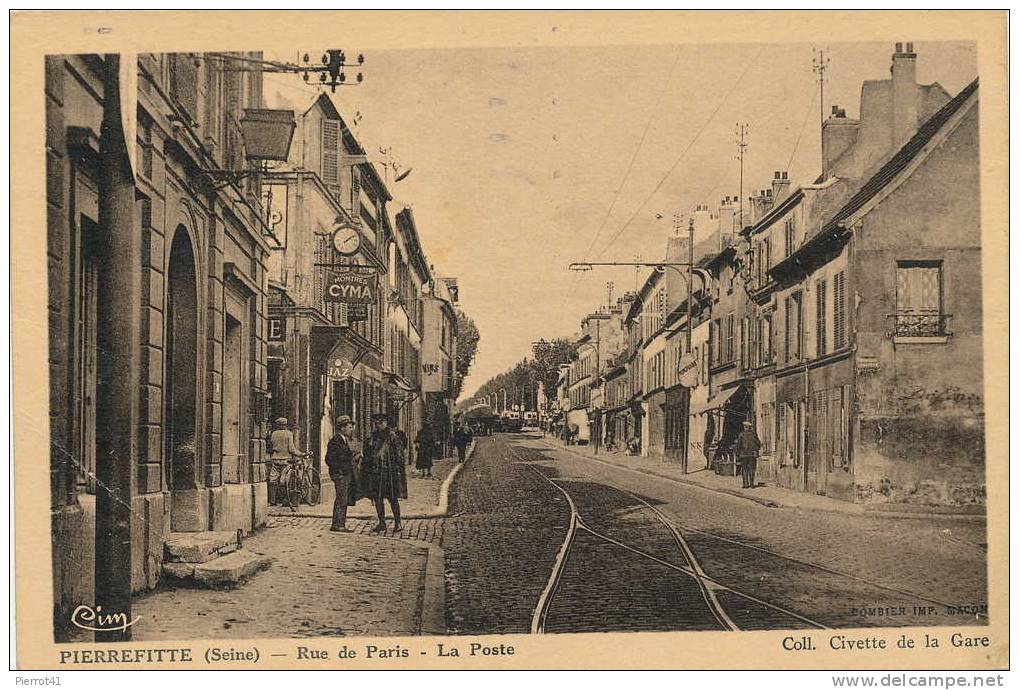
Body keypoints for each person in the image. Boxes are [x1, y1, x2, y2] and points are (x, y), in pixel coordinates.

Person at [362, 413, 408, 533]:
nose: (379, 425)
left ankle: (398, 523)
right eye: (376, 423)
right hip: (376, 473)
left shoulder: (393, 437)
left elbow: (399, 456)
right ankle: (382, 523)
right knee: (378, 499)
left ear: (386, 423)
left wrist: (398, 471)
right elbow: (367, 454)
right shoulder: (372, 437)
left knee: (393, 498)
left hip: (390, 473)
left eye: (381, 422)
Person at [324, 415, 358, 532]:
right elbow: (329, 459)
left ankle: (340, 524)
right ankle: (338, 525)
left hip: (345, 474)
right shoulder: (335, 441)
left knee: (343, 499)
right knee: (341, 499)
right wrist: (339, 471)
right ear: (342, 428)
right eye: (349, 427)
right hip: (340, 475)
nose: (351, 429)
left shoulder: (344, 440)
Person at [268, 418, 307, 507]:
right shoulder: (288, 434)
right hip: (286, 460)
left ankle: (273, 501)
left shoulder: (273, 434)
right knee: (284, 480)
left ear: (278, 425)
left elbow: (271, 446)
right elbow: (291, 449)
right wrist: (301, 454)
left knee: (273, 480)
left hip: (275, 459)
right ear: (285, 425)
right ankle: (284, 500)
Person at [735, 419, 762, 489]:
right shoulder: (753, 434)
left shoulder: (741, 435)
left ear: (745, 427)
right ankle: (752, 484)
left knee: (744, 469)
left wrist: (737, 453)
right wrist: (756, 450)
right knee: (752, 469)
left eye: (745, 427)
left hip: (743, 455)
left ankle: (745, 484)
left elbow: (738, 445)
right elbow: (758, 444)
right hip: (752, 455)